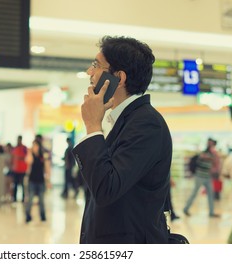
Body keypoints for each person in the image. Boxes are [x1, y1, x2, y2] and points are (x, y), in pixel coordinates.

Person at [71, 36, 172, 244]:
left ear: (119, 78)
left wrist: (92, 126)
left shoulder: (146, 123)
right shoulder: (119, 119)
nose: (90, 72)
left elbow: (106, 188)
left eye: (96, 66)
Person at [183, 138, 220, 218]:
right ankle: (186, 209)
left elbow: (215, 164)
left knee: (211, 194)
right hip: (199, 176)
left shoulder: (212, 153)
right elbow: (206, 159)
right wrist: (213, 156)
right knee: (194, 193)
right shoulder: (204, 153)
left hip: (208, 177)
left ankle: (211, 212)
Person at [25, 139, 49, 223]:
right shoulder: (31, 155)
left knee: (41, 200)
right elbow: (28, 161)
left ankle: (43, 216)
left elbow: (46, 168)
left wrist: (48, 180)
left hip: (41, 181)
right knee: (30, 199)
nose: (34, 147)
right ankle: (28, 216)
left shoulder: (43, 155)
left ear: (39, 146)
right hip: (32, 180)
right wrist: (29, 152)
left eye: (35, 145)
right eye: (33, 145)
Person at [11, 135, 28, 202]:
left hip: (22, 170)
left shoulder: (24, 148)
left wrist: (20, 158)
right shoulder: (15, 148)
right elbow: (12, 157)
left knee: (22, 185)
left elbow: (26, 157)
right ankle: (14, 198)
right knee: (15, 184)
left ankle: (23, 198)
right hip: (15, 169)